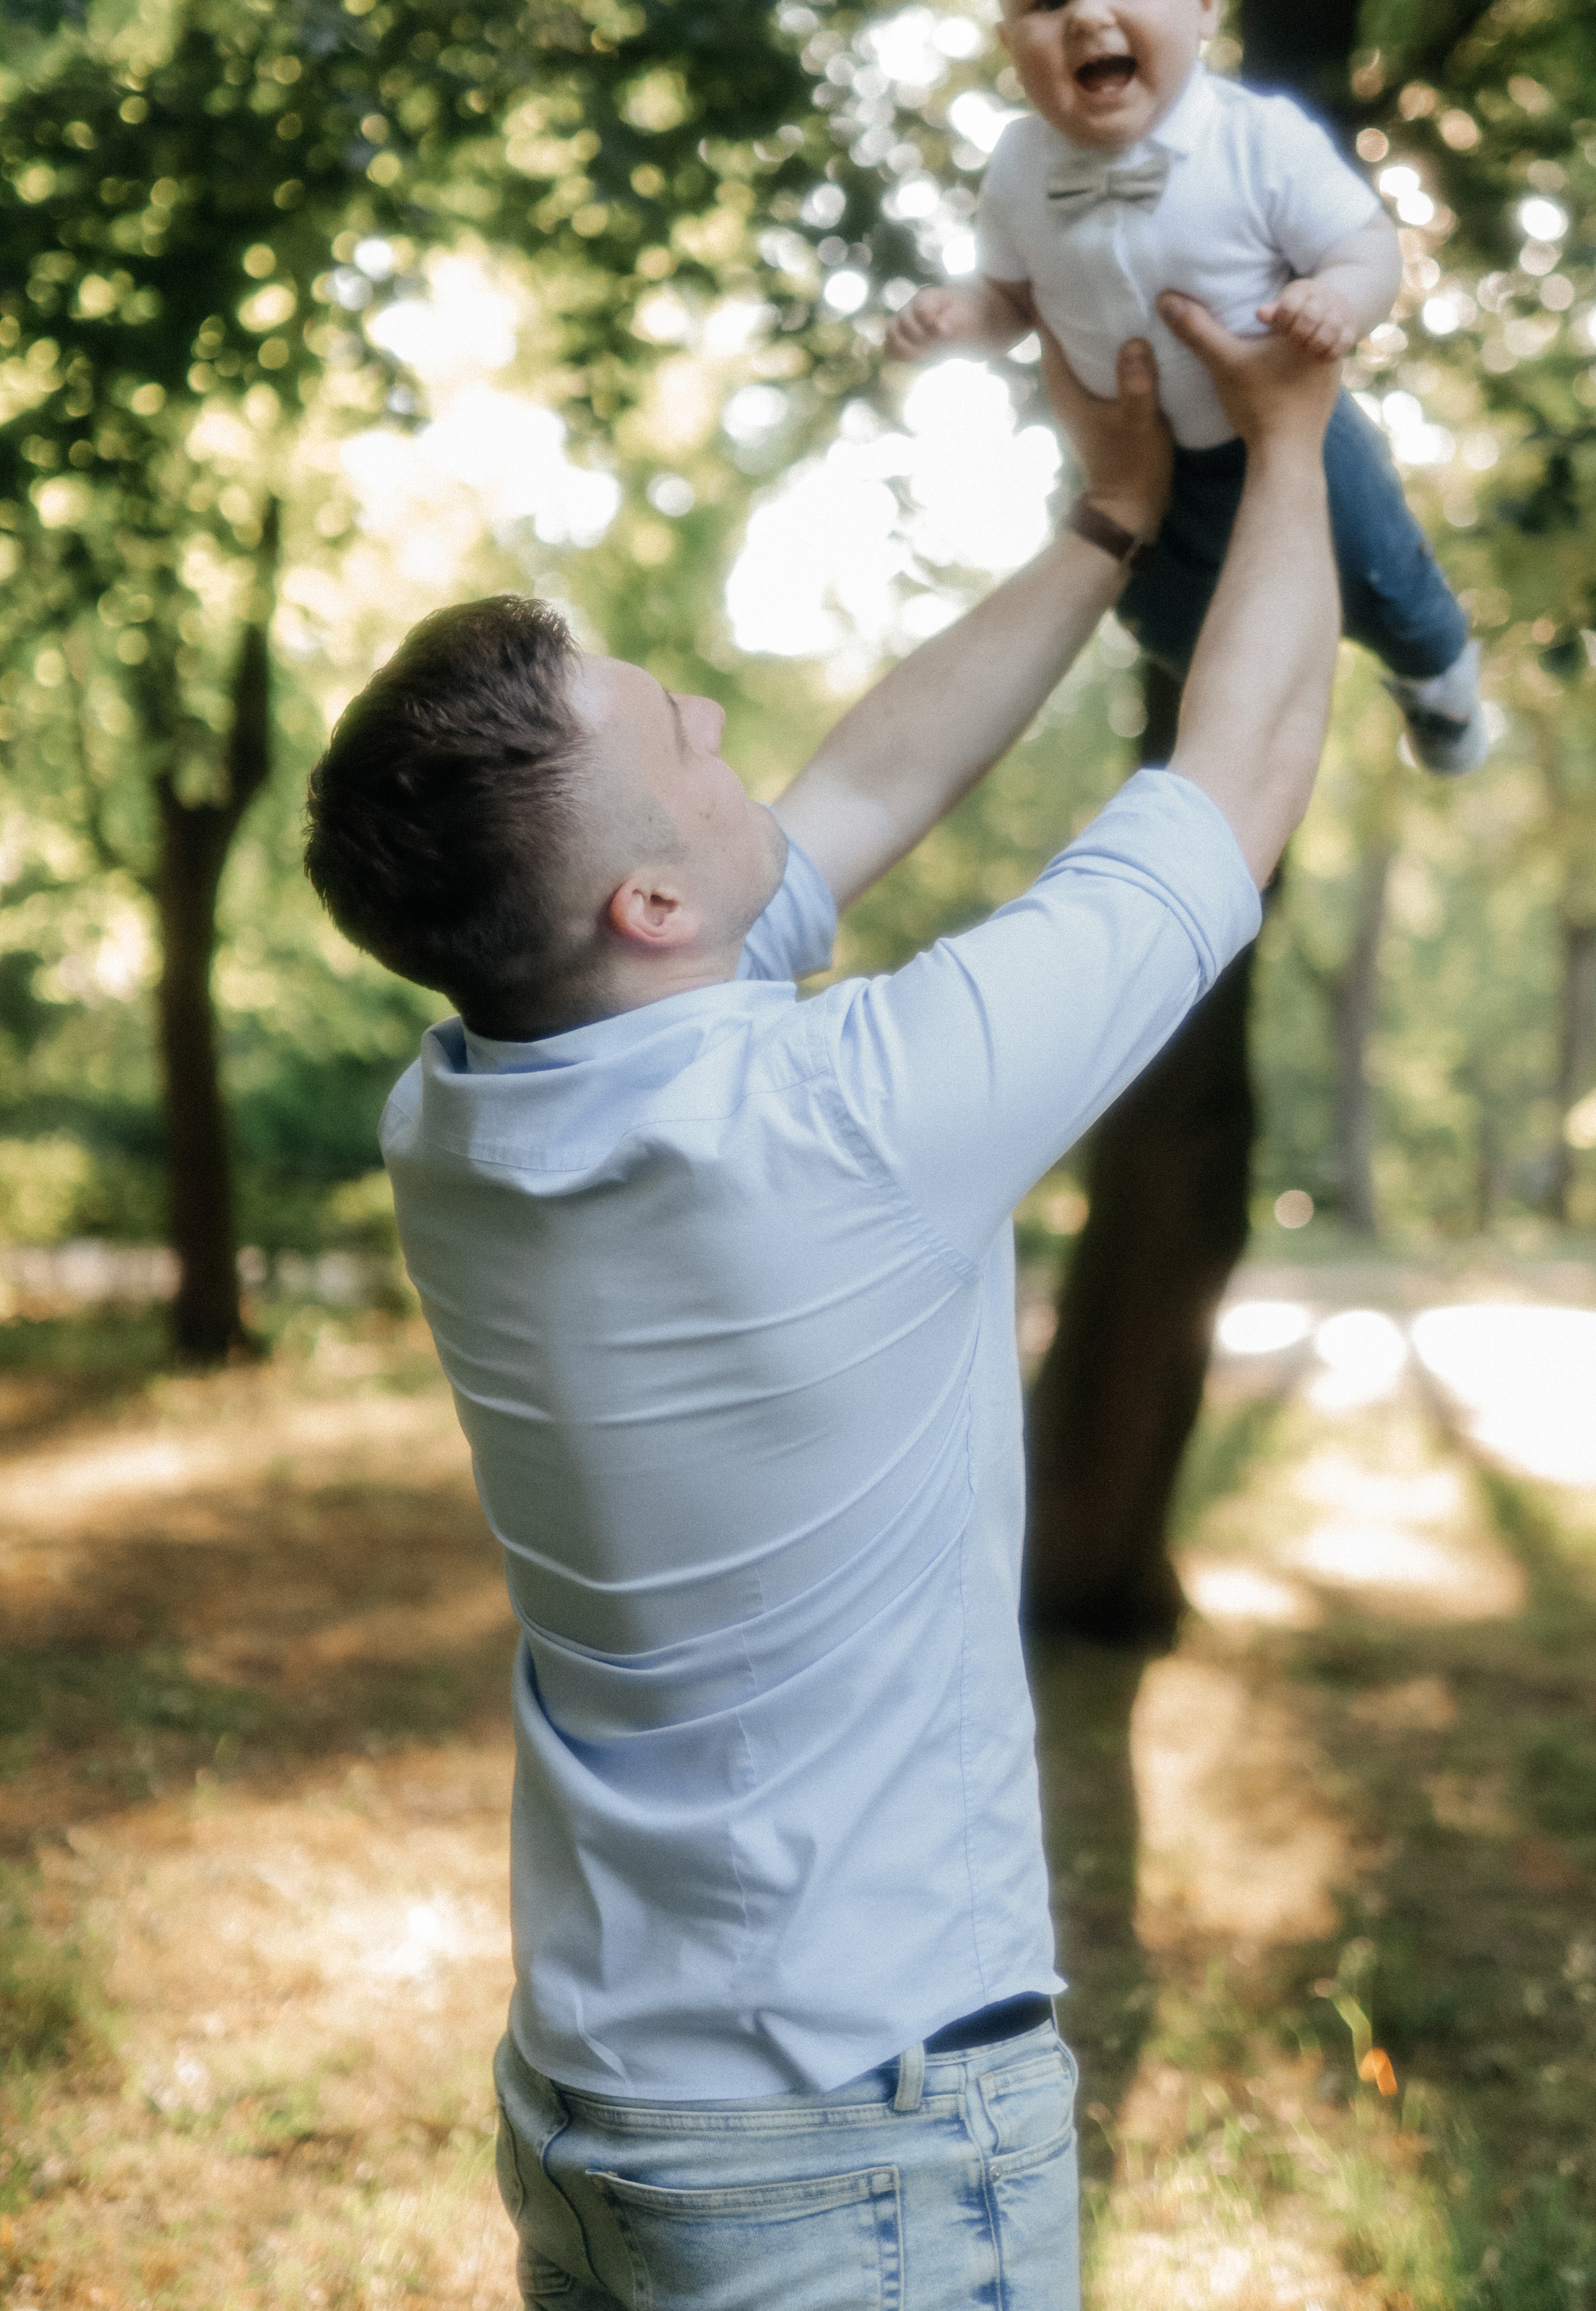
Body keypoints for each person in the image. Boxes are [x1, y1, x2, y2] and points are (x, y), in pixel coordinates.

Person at [301, 300, 1342, 2311]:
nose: (715, 727)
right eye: (677, 731)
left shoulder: (458, 1114)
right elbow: (1244, 772)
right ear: (651, 912)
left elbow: (859, 787)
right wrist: (1289, 442)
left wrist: (1103, 530)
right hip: (852, 2156)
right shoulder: (849, 1121)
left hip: (607, 2114)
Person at [886, 0, 1488, 776]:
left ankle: (1440, 682)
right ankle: (1253, 735)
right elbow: (1010, 298)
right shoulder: (1018, 172)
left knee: (1384, 575)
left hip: (1288, 426)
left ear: (1206, 1)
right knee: (1166, 619)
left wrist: (1337, 298)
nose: (1088, 16)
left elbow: (1366, 243)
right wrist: (961, 318)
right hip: (1141, 462)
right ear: (1012, 47)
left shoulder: (1259, 141)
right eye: (1049, 0)